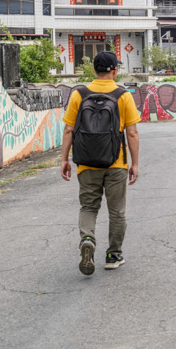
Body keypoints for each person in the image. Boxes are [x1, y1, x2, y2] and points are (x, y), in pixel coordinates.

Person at [61, 51, 141, 275]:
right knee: (117, 212)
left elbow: (68, 129)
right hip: (116, 163)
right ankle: (113, 255)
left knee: (88, 207)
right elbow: (132, 133)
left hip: (86, 163)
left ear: (94, 70)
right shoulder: (123, 95)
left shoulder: (79, 94)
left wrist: (64, 159)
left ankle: (88, 238)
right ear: (115, 70)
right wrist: (135, 163)